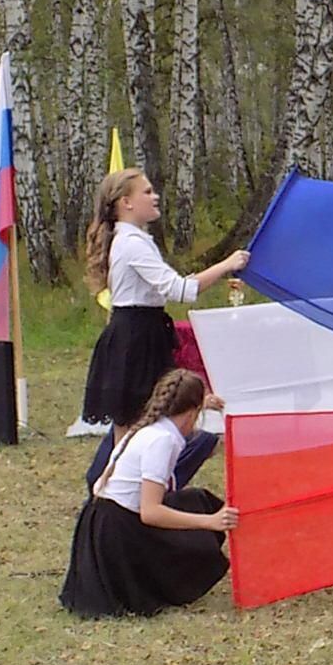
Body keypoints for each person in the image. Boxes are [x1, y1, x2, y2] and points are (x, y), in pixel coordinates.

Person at [79, 168, 248, 487]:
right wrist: (226, 265)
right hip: (135, 339)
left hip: (143, 333)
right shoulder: (132, 243)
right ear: (126, 202)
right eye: (146, 192)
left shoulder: (134, 240)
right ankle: (112, 494)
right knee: (132, 430)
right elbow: (180, 290)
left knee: (142, 426)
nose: (155, 196)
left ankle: (122, 490)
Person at [60, 369, 239, 618]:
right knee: (198, 530)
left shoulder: (151, 427)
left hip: (102, 520)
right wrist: (209, 522)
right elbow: (151, 512)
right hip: (117, 534)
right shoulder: (162, 440)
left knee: (198, 500)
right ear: (192, 413)